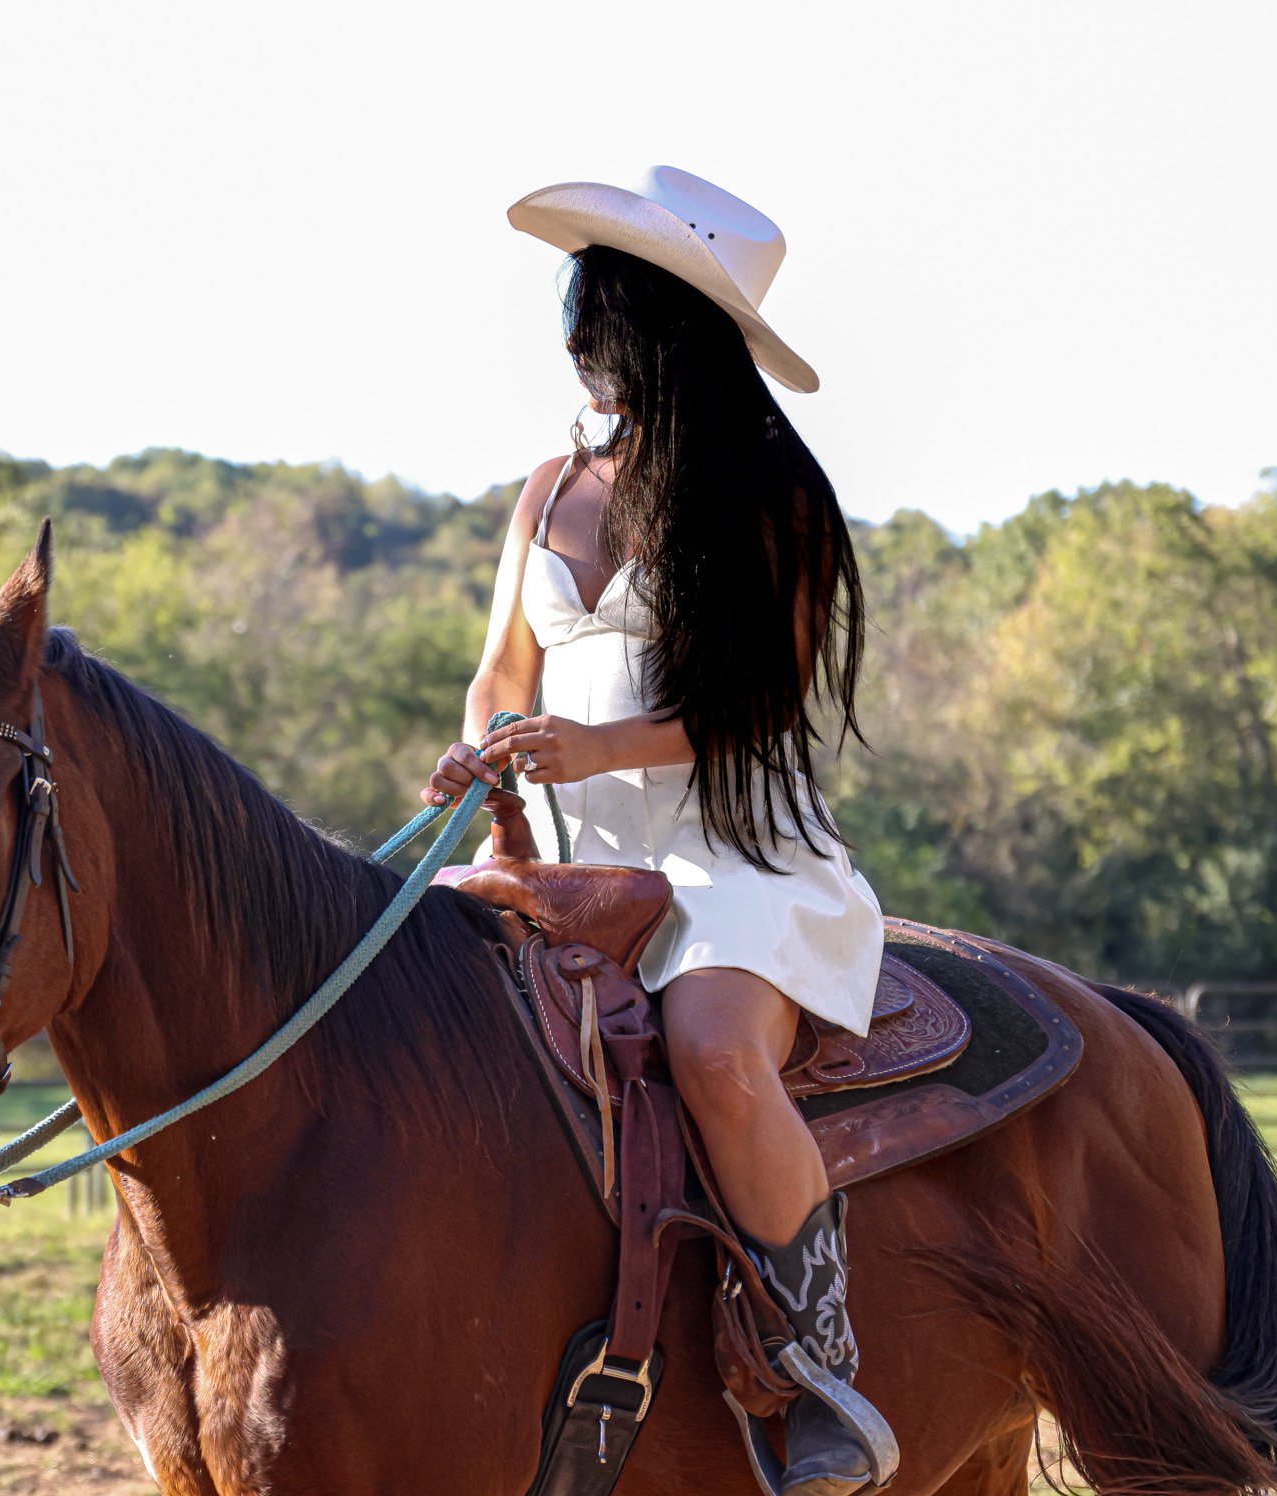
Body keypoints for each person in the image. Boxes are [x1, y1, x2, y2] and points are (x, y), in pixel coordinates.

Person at [427, 167, 890, 1495]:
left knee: (713, 1048)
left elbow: (760, 707)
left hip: (734, 860)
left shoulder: (766, 496)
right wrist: (481, 748)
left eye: (603, 310)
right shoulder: (547, 487)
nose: (578, 337)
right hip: (570, 856)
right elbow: (502, 668)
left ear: (665, 328)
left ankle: (819, 1362)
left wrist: (599, 747)